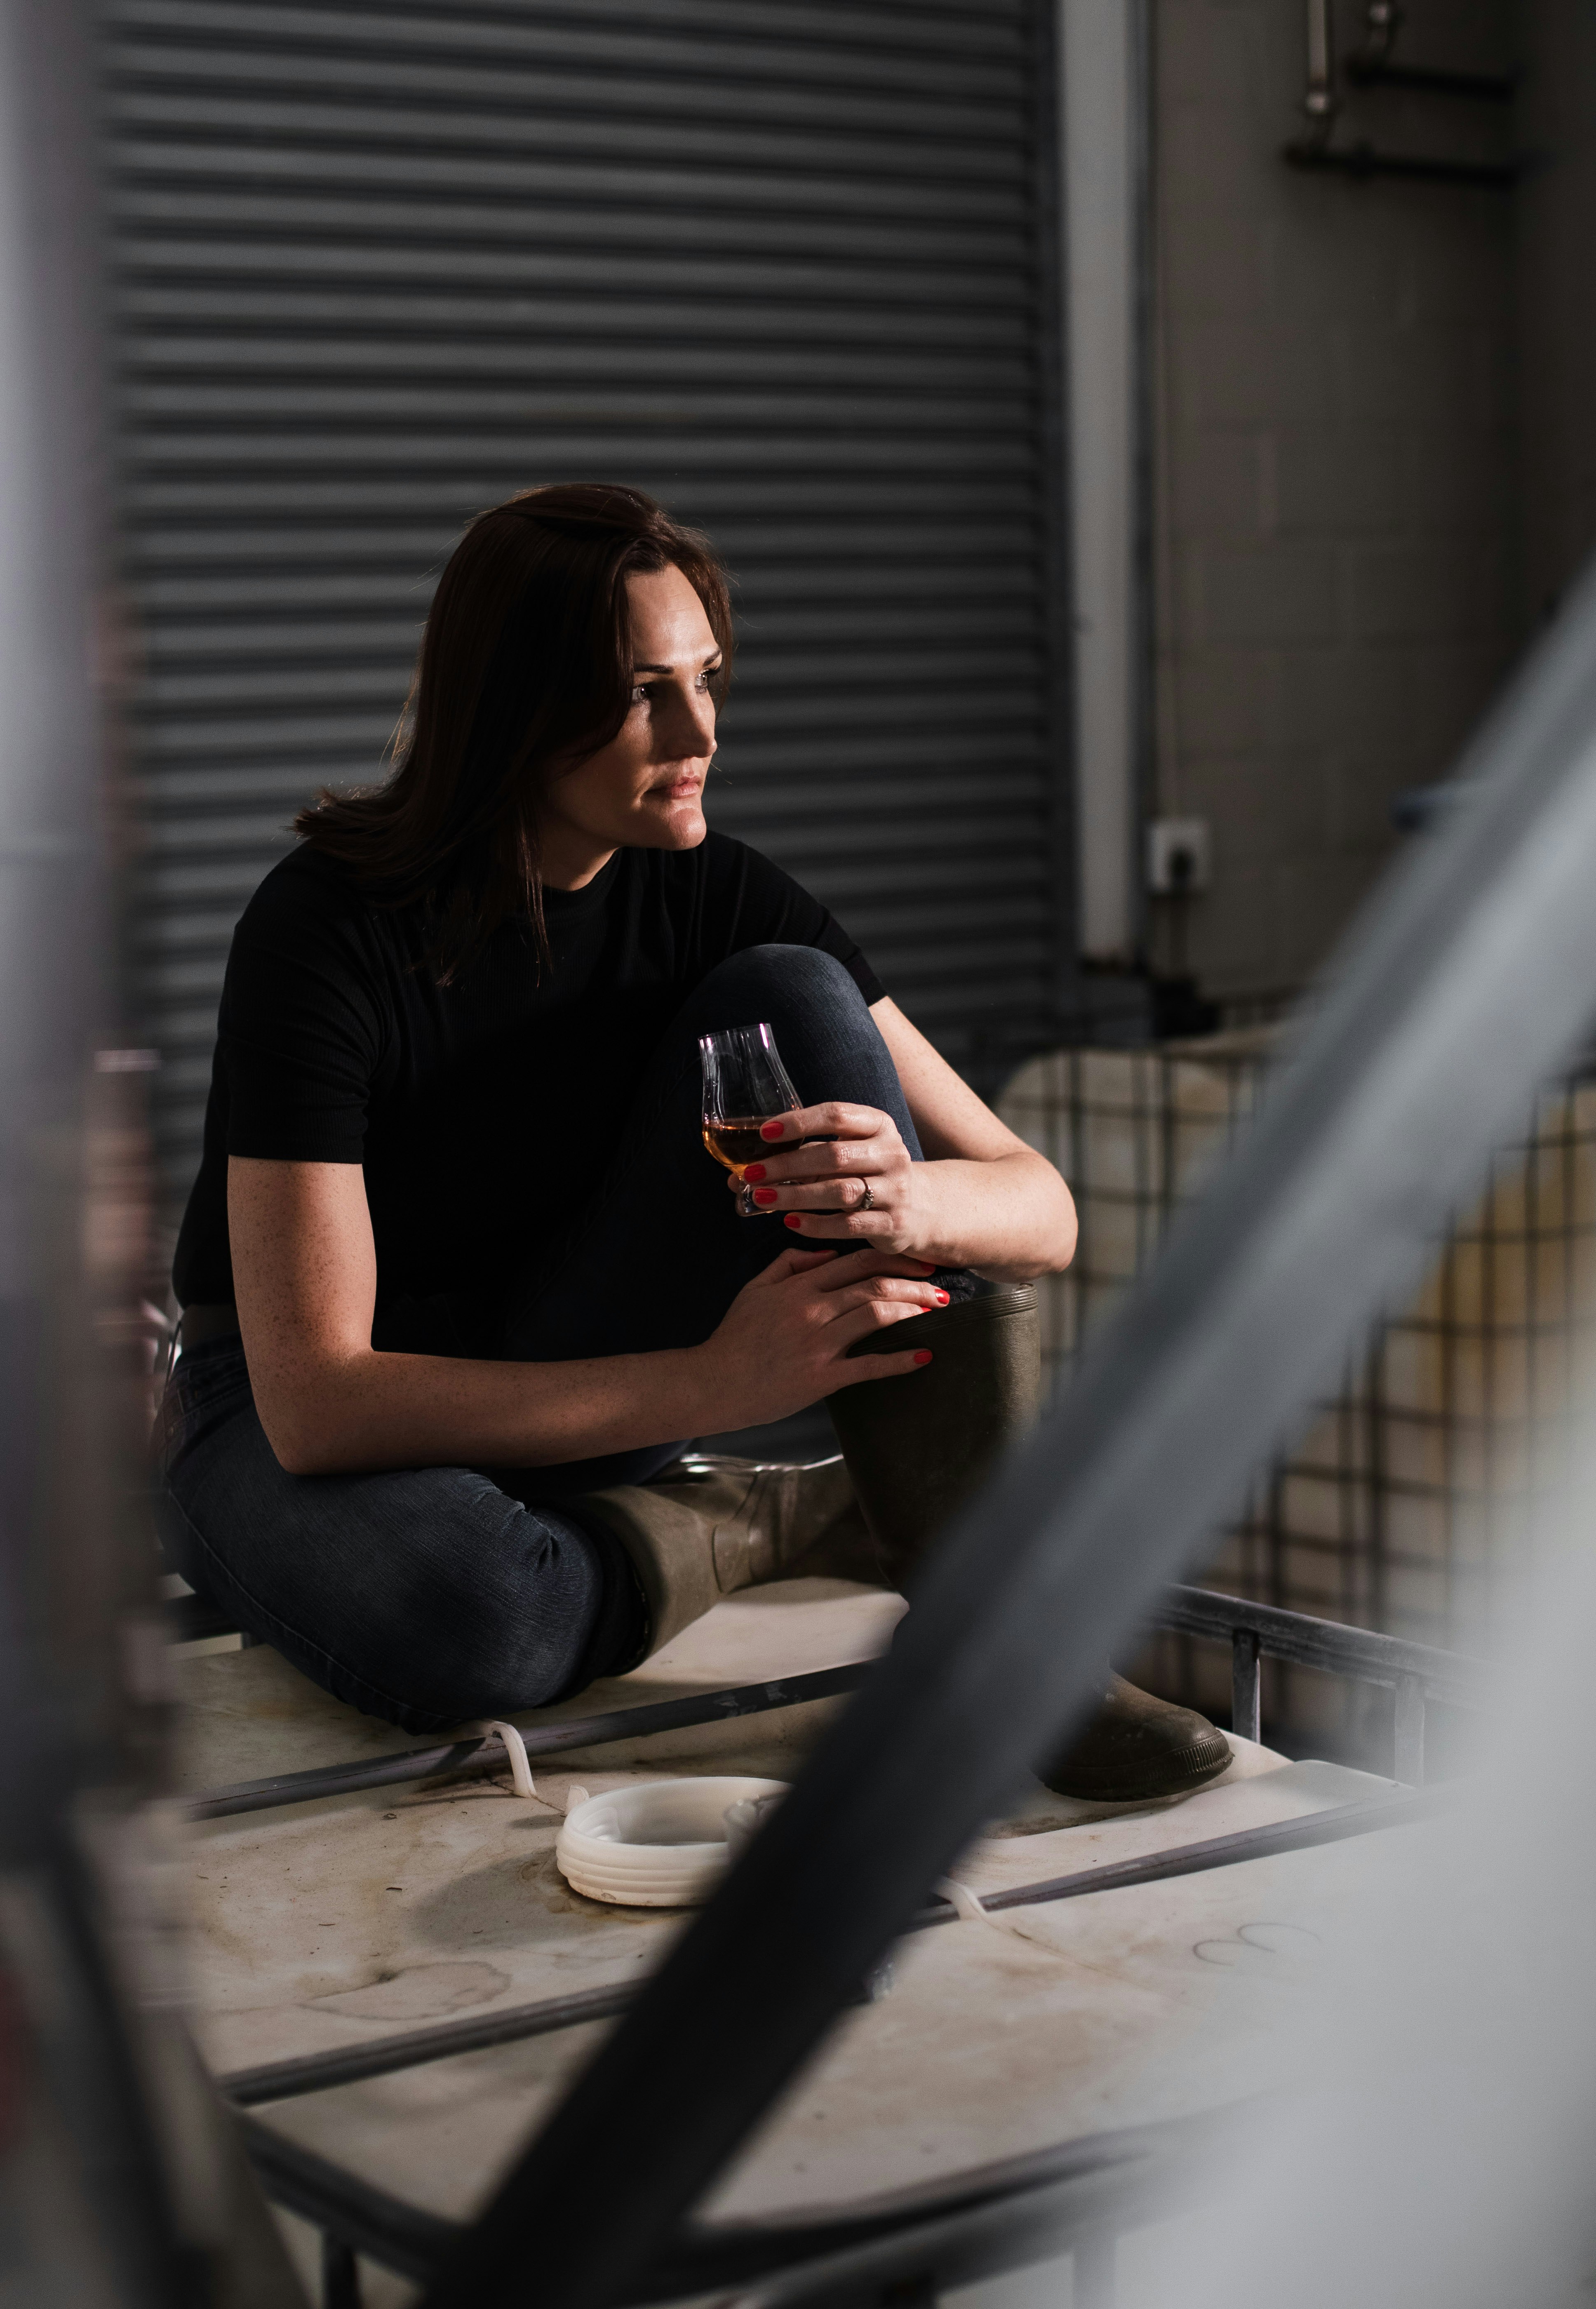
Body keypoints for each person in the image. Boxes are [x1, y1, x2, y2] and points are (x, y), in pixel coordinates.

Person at [157, 483, 1229, 1802]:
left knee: (798, 997)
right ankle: (781, 1510)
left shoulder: (720, 893)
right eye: (641, 692)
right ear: (516, 709)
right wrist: (719, 1390)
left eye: (707, 679)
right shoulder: (325, 929)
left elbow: (1039, 1209)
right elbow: (320, 1402)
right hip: (292, 1419)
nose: (699, 731)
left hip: (578, 1361)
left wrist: (905, 1200)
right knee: (484, 1617)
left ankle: (993, 1639)